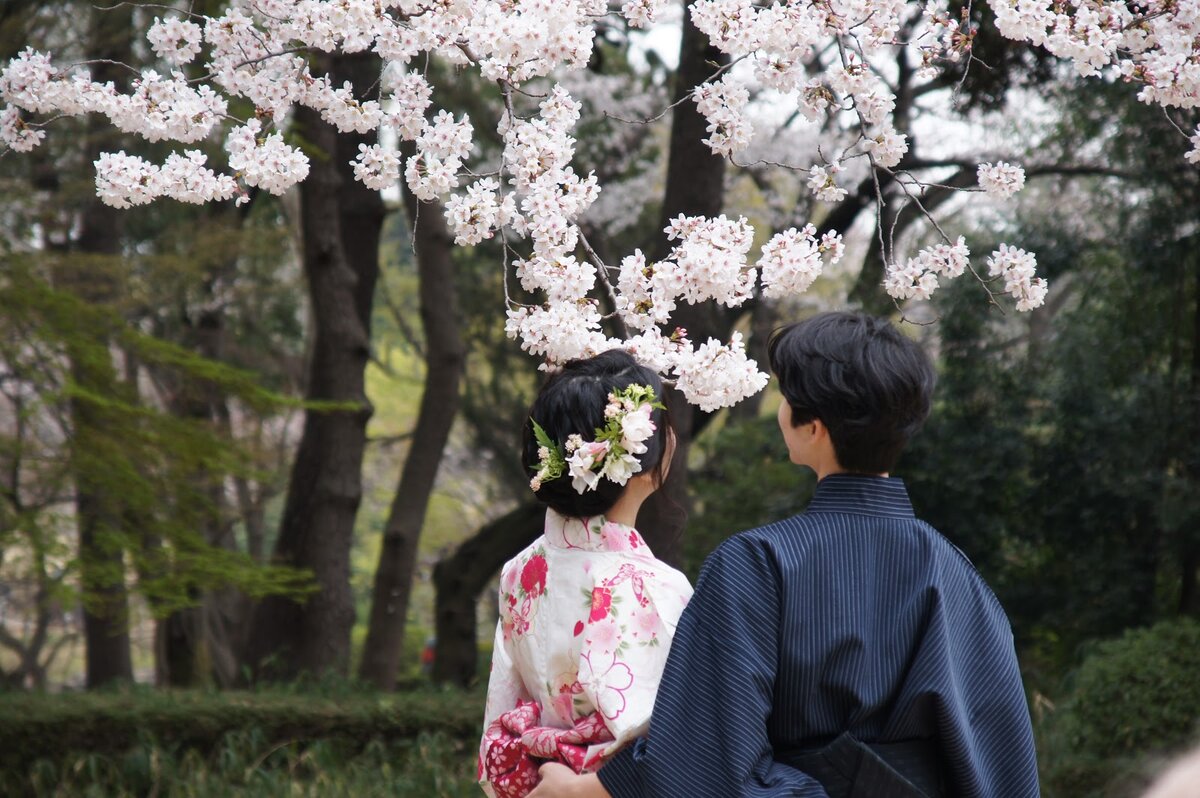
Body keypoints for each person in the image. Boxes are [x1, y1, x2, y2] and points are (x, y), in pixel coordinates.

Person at [529, 312, 1040, 798]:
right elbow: (1001, 753)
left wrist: (589, 789)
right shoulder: (954, 569)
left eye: (785, 395)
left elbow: (709, 757)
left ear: (813, 428)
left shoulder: (756, 564)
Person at [479, 349, 694, 798]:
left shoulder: (521, 570)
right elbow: (675, 744)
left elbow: (506, 700)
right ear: (641, 464)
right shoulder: (653, 587)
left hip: (539, 782)